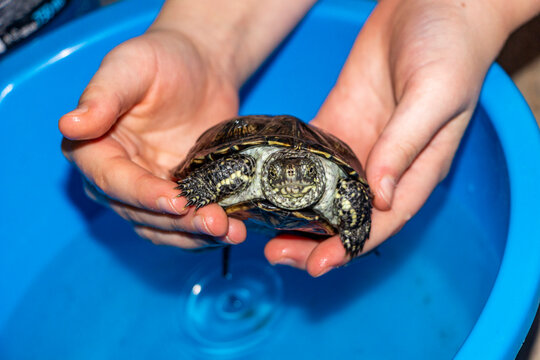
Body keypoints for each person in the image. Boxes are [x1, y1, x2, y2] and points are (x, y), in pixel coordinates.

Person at [59, 0, 540, 277]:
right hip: (244, 160)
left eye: (303, 171)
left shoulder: (331, 177)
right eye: (285, 170)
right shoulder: (248, 166)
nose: (292, 176)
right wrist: (199, 44)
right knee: (189, 204)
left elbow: (355, 186)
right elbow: (223, 165)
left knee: (361, 198)